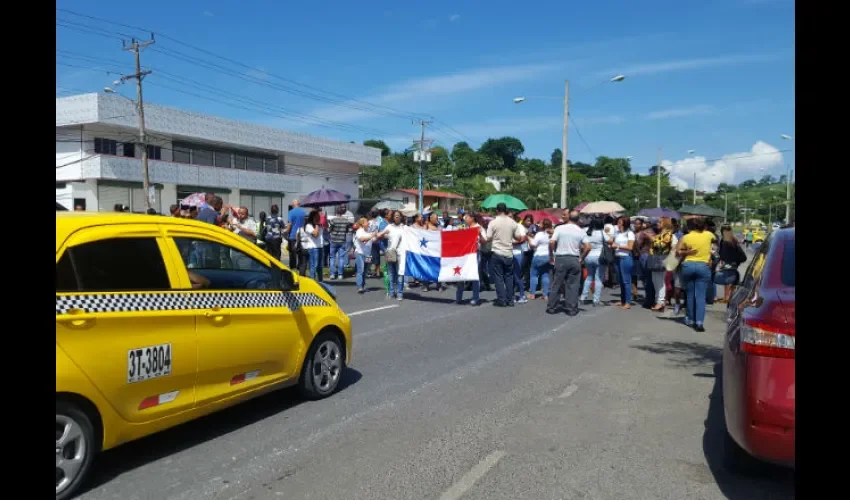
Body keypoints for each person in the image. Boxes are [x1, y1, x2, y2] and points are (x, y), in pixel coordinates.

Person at [677, 217, 716, 332]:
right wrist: (711, 257)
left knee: (690, 294)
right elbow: (715, 245)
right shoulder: (709, 235)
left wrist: (687, 252)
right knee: (700, 296)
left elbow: (678, 252)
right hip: (703, 266)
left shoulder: (686, 237)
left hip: (688, 266)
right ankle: (699, 322)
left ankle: (690, 319)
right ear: (704, 226)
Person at [546, 210, 586, 315]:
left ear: (569, 218)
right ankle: (571, 308)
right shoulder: (580, 231)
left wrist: (552, 254)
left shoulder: (559, 228)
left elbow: (551, 242)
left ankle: (552, 307)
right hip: (574, 258)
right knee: (573, 285)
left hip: (561, 258)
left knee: (557, 283)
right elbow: (588, 246)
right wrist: (582, 257)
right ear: (578, 220)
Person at [486, 203, 522, 307]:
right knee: (509, 277)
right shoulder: (513, 222)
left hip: (497, 252)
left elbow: (488, 237)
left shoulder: (493, 223)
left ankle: (502, 300)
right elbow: (519, 237)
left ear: (497, 210)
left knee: (498, 278)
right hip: (508, 253)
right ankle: (510, 300)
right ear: (506, 210)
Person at [579, 217, 610, 306]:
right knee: (598, 279)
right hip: (600, 257)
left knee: (589, 277)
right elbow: (610, 241)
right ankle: (596, 300)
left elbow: (581, 243)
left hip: (588, 256)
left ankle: (583, 297)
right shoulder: (602, 233)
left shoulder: (586, 231)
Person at [649, 218, 677, 312]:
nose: (657, 223)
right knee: (655, 280)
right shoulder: (661, 234)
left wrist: (653, 239)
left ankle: (660, 302)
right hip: (656, 258)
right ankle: (658, 301)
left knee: (660, 281)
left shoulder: (668, 234)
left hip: (661, 259)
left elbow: (661, 246)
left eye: (660, 222)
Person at [716, 224, 747, 303]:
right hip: (734, 262)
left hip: (730, 261)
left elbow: (724, 252)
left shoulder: (726, 240)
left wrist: (721, 259)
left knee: (728, 278)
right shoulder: (732, 239)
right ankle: (729, 296)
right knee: (729, 278)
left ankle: (727, 297)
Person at [612, 216, 636, 309]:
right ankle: (622, 300)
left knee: (626, 280)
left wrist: (618, 245)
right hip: (617, 257)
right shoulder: (617, 233)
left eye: (620, 222)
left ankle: (628, 302)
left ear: (624, 223)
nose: (618, 224)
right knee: (620, 281)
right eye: (618, 222)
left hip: (626, 258)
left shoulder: (629, 233)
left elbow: (630, 247)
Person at [528, 219, 554, 301]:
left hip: (538, 255)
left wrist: (529, 239)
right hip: (548, 256)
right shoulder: (552, 234)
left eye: (540, 223)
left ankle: (532, 294)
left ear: (543, 225)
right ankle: (545, 294)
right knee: (545, 275)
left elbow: (533, 245)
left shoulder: (539, 234)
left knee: (534, 275)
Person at [382, 211, 405, 300]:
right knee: (391, 273)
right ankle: (392, 292)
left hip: (400, 254)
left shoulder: (404, 228)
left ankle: (400, 293)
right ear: (393, 217)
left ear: (401, 217)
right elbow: (381, 236)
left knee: (400, 273)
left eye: (398, 216)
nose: (397, 217)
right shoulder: (389, 227)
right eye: (395, 216)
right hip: (390, 253)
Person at [327, 206, 353, 280]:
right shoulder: (346, 221)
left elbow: (329, 230)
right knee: (341, 258)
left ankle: (332, 274)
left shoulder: (333, 220)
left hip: (333, 240)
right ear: (342, 212)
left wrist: (329, 229)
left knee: (332, 257)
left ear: (336, 212)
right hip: (342, 240)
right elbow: (348, 230)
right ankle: (340, 274)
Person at [353, 217, 377, 293]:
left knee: (365, 271)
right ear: (362, 224)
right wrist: (373, 234)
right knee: (361, 270)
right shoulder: (359, 231)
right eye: (367, 222)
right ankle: (359, 287)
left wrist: (379, 234)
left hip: (368, 255)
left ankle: (363, 286)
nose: (369, 223)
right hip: (360, 253)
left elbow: (374, 240)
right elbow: (362, 239)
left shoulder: (368, 232)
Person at [302, 210, 324, 280]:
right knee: (314, 265)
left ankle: (321, 282)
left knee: (320, 266)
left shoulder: (319, 225)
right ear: (313, 217)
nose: (319, 218)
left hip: (320, 247)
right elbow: (315, 234)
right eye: (317, 216)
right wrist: (317, 224)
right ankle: (313, 281)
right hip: (313, 248)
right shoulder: (309, 225)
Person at [286, 200, 307, 270]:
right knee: (300, 253)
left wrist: (286, 232)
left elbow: (289, 224)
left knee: (292, 253)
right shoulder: (304, 212)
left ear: (294, 204)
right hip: (301, 235)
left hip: (293, 235)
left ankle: (293, 268)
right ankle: (300, 267)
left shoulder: (291, 212)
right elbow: (305, 223)